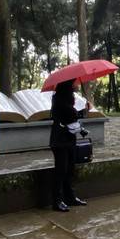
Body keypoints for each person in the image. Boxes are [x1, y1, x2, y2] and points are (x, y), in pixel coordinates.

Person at [50, 79, 88, 212]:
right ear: (67, 85)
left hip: (69, 139)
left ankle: (70, 197)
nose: (77, 85)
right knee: (61, 170)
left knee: (70, 169)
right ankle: (57, 201)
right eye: (74, 83)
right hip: (60, 141)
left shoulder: (68, 99)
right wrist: (83, 111)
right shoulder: (59, 100)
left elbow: (72, 116)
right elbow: (70, 115)